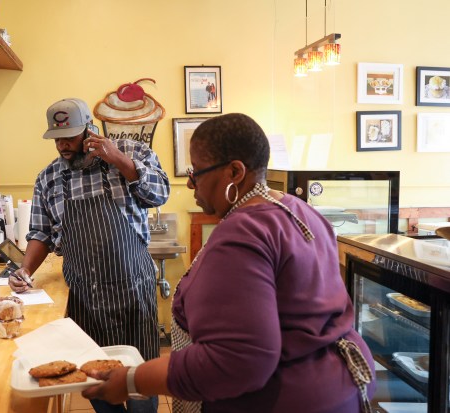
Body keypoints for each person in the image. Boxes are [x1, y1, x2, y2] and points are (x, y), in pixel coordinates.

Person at [82, 113, 376, 413]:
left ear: (235, 172)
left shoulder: (242, 233)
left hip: (281, 399)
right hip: (340, 387)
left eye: (197, 172)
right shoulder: (298, 209)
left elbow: (238, 360)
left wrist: (132, 380)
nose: (192, 185)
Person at [9, 98, 169, 413]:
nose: (63, 144)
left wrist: (118, 159)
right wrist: (25, 270)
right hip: (85, 295)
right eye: (57, 138)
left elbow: (159, 192)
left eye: (70, 136)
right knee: (93, 379)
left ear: (90, 130)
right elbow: (40, 233)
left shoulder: (131, 152)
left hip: (133, 288)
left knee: (139, 379)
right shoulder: (49, 178)